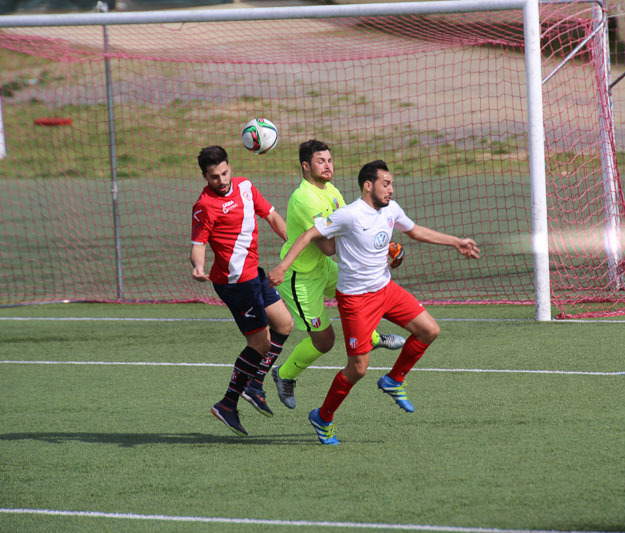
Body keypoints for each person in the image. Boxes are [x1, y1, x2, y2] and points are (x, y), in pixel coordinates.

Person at [268, 160, 480, 445]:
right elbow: (309, 235)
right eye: (386, 183)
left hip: (386, 290)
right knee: (358, 369)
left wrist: (455, 242)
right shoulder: (349, 215)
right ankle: (323, 417)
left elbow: (414, 231)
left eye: (391, 183)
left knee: (429, 330)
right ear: (368, 185)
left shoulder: (390, 209)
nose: (391, 189)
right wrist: (283, 267)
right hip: (356, 300)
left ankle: (394, 379)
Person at [265, 140, 405, 411]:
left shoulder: (331, 189)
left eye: (329, 160)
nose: (328, 165)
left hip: (322, 268)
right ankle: (284, 375)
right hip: (301, 278)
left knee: (358, 289)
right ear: (306, 166)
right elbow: (329, 246)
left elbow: (354, 224)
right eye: (321, 161)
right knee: (325, 341)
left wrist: (383, 244)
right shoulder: (304, 198)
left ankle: (372, 338)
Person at [190, 145, 294, 437]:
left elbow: (272, 216)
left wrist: (295, 246)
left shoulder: (246, 187)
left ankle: (255, 385)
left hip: (255, 275)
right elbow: (198, 244)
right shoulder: (204, 205)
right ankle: (228, 403)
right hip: (235, 283)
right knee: (261, 344)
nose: (221, 181)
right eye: (213, 177)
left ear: (230, 167)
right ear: (204, 176)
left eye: (224, 173)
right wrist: (198, 268)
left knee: (285, 325)